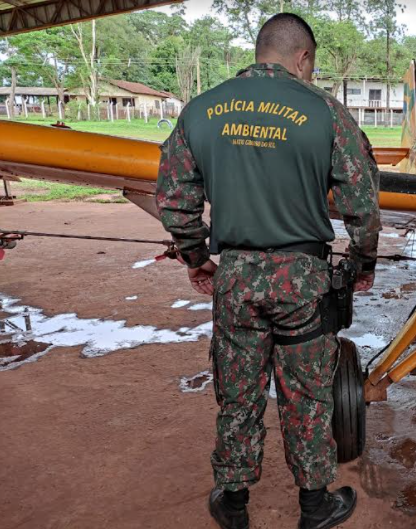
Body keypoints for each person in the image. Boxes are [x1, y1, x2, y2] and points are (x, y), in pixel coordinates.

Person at [155, 12, 381, 529]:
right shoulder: (326, 110)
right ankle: (315, 506)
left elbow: (173, 198)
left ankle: (232, 504)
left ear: (261, 51)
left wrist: (196, 258)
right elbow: (362, 203)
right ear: (303, 58)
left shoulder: (202, 109)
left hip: (235, 276)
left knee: (238, 391)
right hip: (303, 279)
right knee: (306, 396)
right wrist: (363, 262)